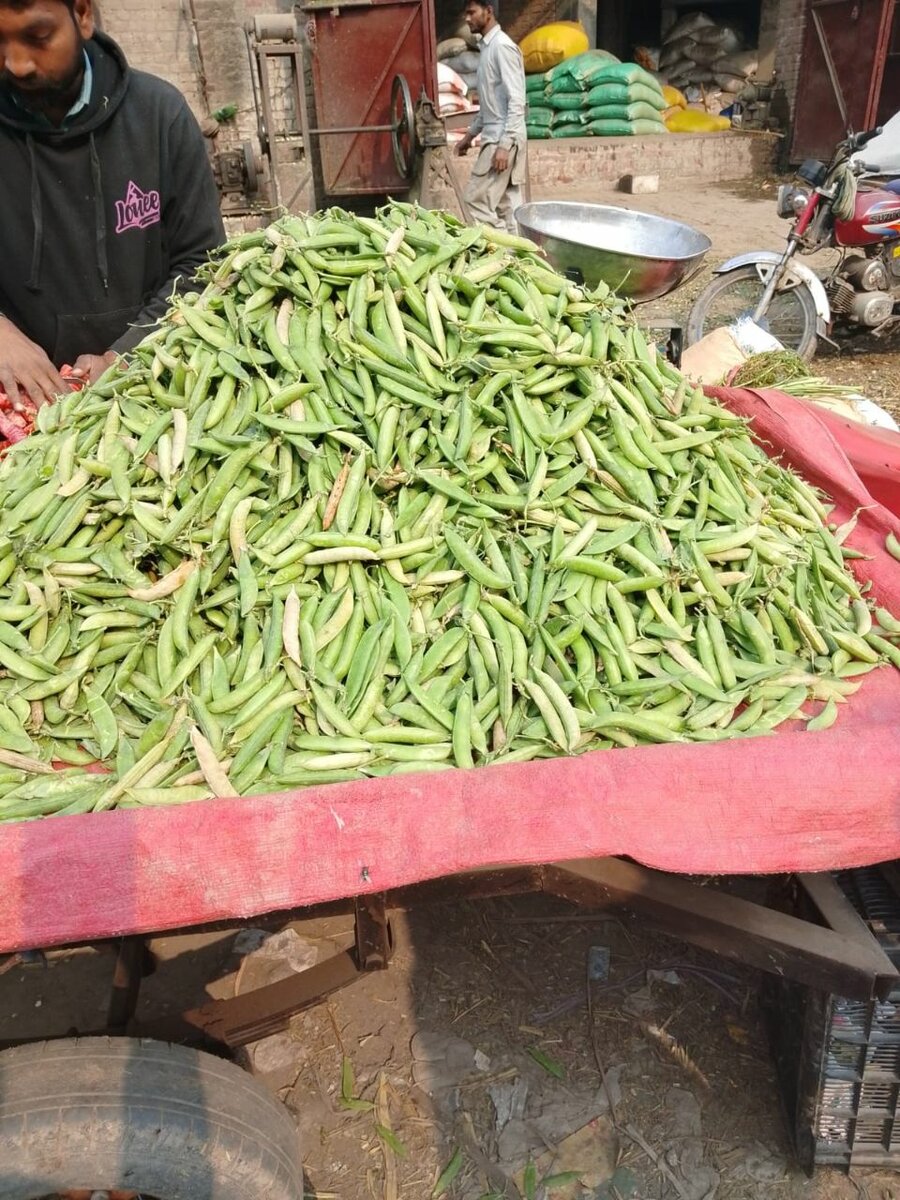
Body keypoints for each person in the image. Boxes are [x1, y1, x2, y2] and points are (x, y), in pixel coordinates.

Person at [0, 0, 225, 405]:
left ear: (82, 15)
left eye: (38, 36)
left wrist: (126, 353)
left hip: (152, 388)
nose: (17, 64)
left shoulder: (160, 116)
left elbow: (202, 263)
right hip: (21, 404)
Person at [455, 0, 526, 234]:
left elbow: (517, 100)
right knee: (507, 207)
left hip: (501, 139)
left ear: (489, 11)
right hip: (497, 135)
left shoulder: (502, 47)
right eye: (466, 13)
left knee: (475, 203)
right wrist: (470, 136)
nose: (467, 18)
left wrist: (505, 145)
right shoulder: (487, 48)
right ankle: (518, 252)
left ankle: (500, 248)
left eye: (472, 12)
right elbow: (489, 105)